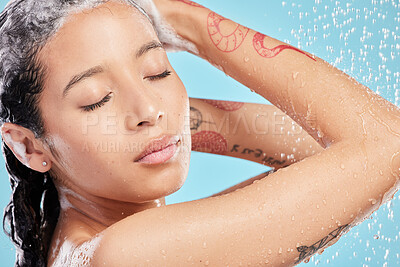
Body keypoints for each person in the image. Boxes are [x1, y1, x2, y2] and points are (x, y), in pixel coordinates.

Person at [0, 0, 398, 266]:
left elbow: (321, 154)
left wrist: (167, 120)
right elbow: (387, 144)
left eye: (157, 71)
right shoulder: (126, 254)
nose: (149, 109)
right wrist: (188, 22)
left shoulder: (88, 246)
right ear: (28, 145)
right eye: (96, 99)